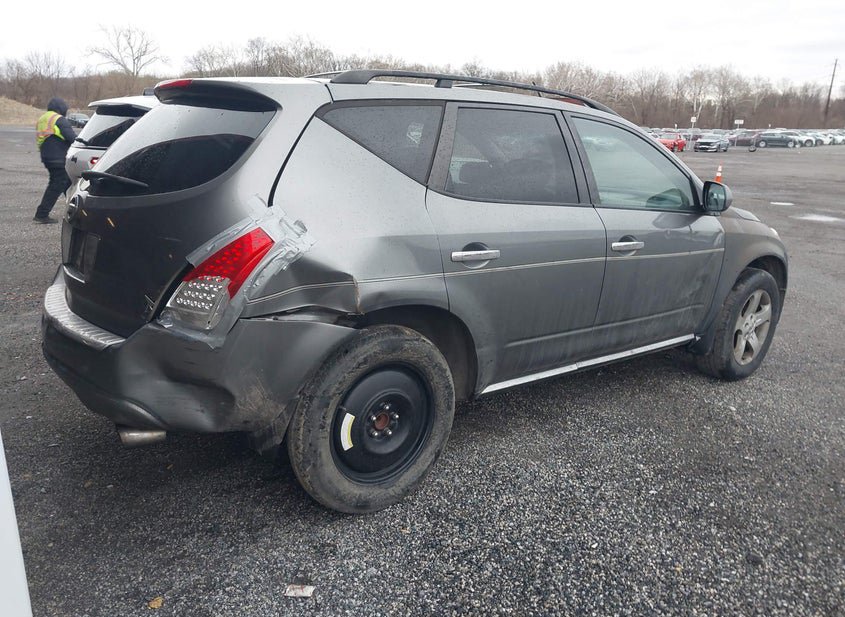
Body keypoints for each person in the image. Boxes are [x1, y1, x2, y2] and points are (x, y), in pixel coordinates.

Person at [34, 97, 76, 224]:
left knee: (67, 183)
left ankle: (75, 209)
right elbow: (72, 138)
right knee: (57, 184)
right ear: (61, 108)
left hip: (47, 156)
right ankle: (41, 214)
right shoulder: (58, 119)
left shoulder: (43, 118)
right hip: (58, 158)